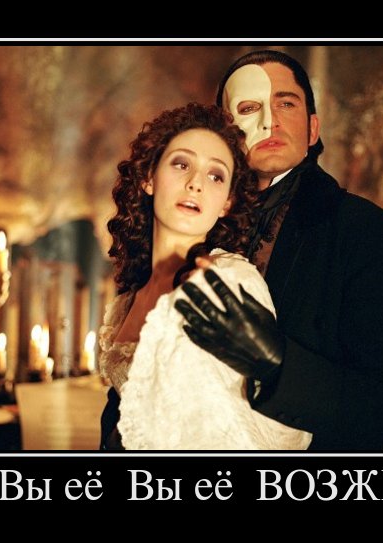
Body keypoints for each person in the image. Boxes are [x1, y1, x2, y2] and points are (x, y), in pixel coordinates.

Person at [175, 50, 383, 450]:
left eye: (285, 104)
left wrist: (276, 363)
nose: (269, 121)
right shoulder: (191, 224)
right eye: (249, 107)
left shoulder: (369, 232)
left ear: (312, 128)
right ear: (223, 133)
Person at [98, 102, 311, 450]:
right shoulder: (126, 301)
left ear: (226, 203)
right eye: (181, 164)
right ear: (149, 178)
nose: (196, 183)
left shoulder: (227, 279)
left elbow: (275, 433)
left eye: (215, 176)